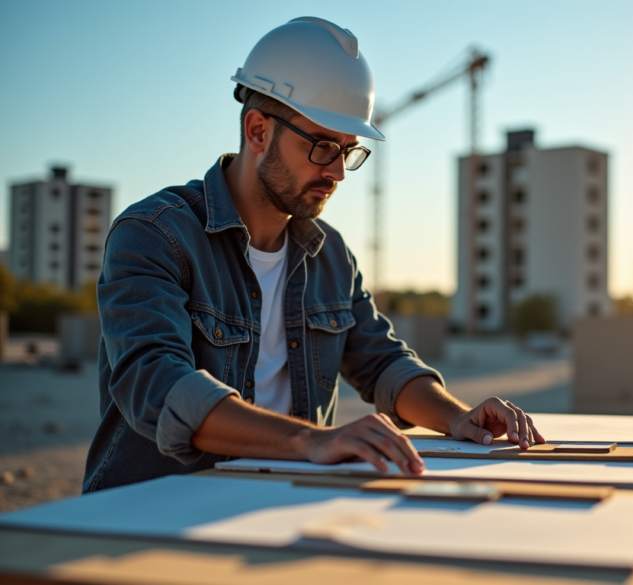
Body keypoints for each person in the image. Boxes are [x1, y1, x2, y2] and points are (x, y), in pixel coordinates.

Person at [83, 17, 543, 492]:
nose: (339, 173)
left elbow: (381, 362)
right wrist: (312, 441)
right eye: (324, 147)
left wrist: (457, 416)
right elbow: (156, 385)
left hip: (278, 511)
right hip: (150, 519)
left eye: (349, 151)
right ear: (258, 131)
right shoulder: (156, 235)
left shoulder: (330, 255)